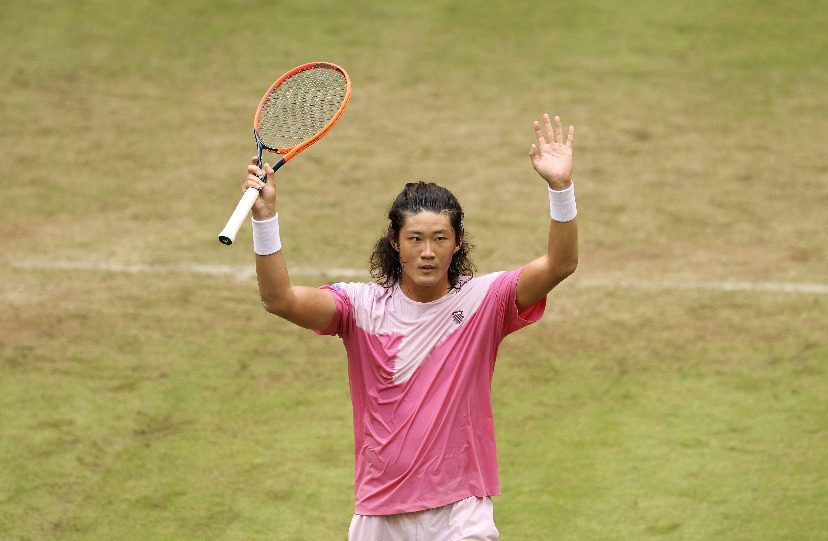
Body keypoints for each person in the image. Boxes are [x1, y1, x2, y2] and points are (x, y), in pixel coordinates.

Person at [242, 114, 578, 540]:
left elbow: (560, 264)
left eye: (440, 238)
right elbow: (279, 299)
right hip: (381, 512)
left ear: (457, 241)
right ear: (394, 240)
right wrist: (265, 219)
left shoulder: (483, 301)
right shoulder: (359, 307)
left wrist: (560, 189)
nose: (427, 252)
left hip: (461, 508)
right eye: (415, 238)